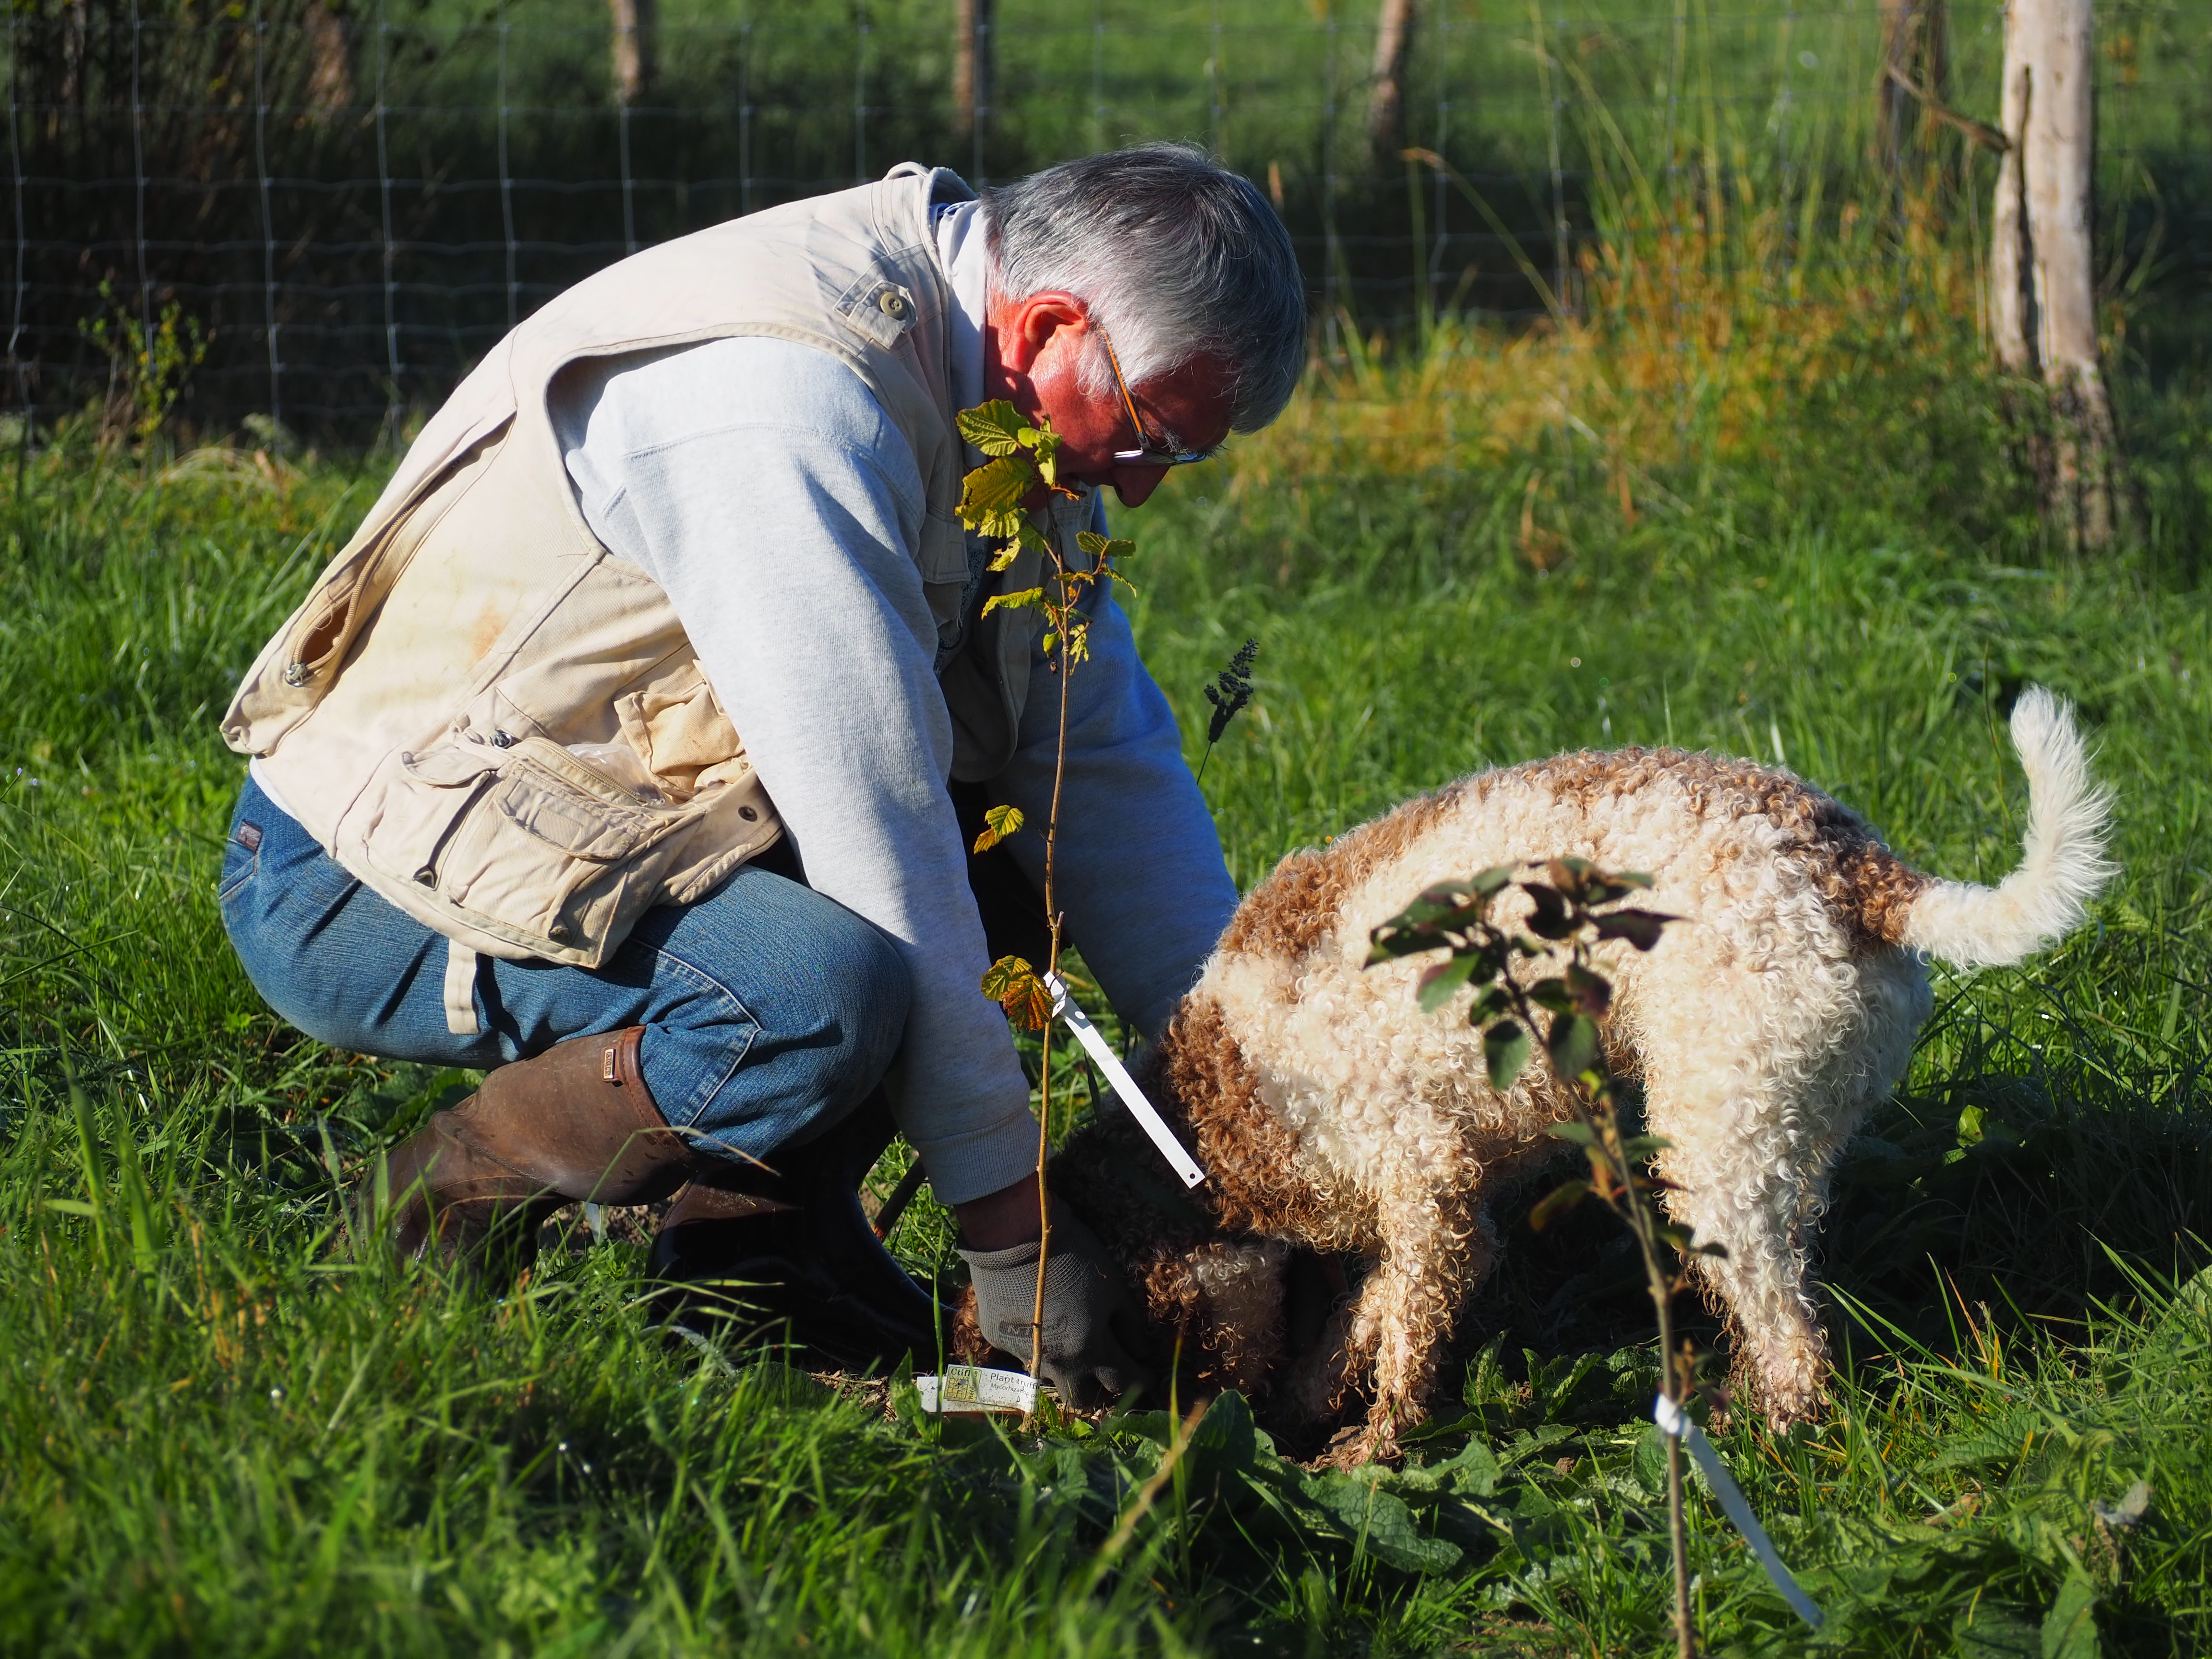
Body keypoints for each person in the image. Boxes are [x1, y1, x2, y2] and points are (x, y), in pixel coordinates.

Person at [215, 143, 1306, 1407]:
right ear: (1053, 323)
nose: (1143, 487)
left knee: (1012, 858)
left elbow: (1098, 768)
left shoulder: (1015, 407)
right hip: (361, 872)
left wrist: (1253, 1093)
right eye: (1156, 434)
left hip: (630, 825)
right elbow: (881, 841)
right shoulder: (792, 404)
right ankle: (434, 1207)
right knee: (809, 994)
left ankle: (753, 1279)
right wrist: (1017, 1244)